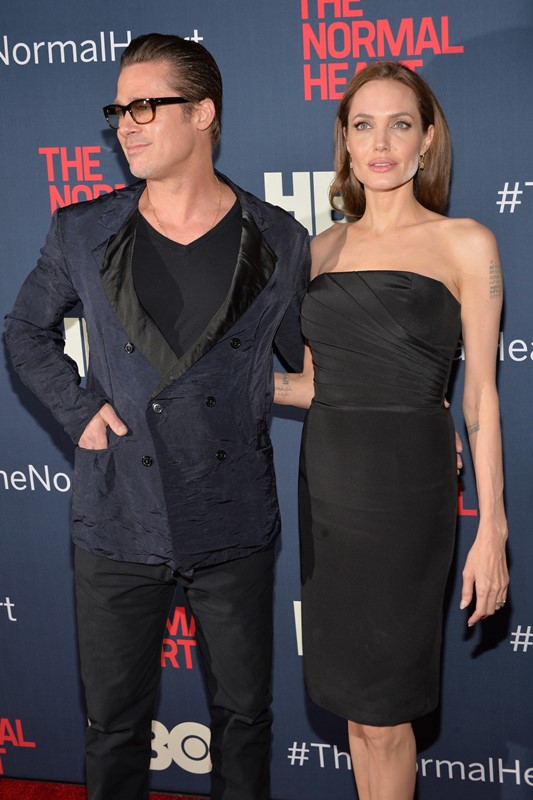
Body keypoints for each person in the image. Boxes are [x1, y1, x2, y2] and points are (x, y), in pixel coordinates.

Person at [5, 33, 310, 800]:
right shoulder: (82, 229)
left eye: (144, 106)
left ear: (202, 113)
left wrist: (409, 409)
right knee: (113, 726)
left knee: (243, 720)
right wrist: (79, 409)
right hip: (117, 514)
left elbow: (310, 367)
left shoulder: (278, 238)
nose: (124, 125)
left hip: (232, 516)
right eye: (118, 110)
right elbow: (25, 331)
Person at [274, 61, 509, 800]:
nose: (380, 144)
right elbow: (311, 385)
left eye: (400, 125)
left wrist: (493, 527)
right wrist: (209, 383)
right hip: (329, 488)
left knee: (386, 711)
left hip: (407, 492)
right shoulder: (319, 251)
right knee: (354, 709)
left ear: (426, 139)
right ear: (344, 140)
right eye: (364, 126)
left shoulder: (465, 243)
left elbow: (479, 397)